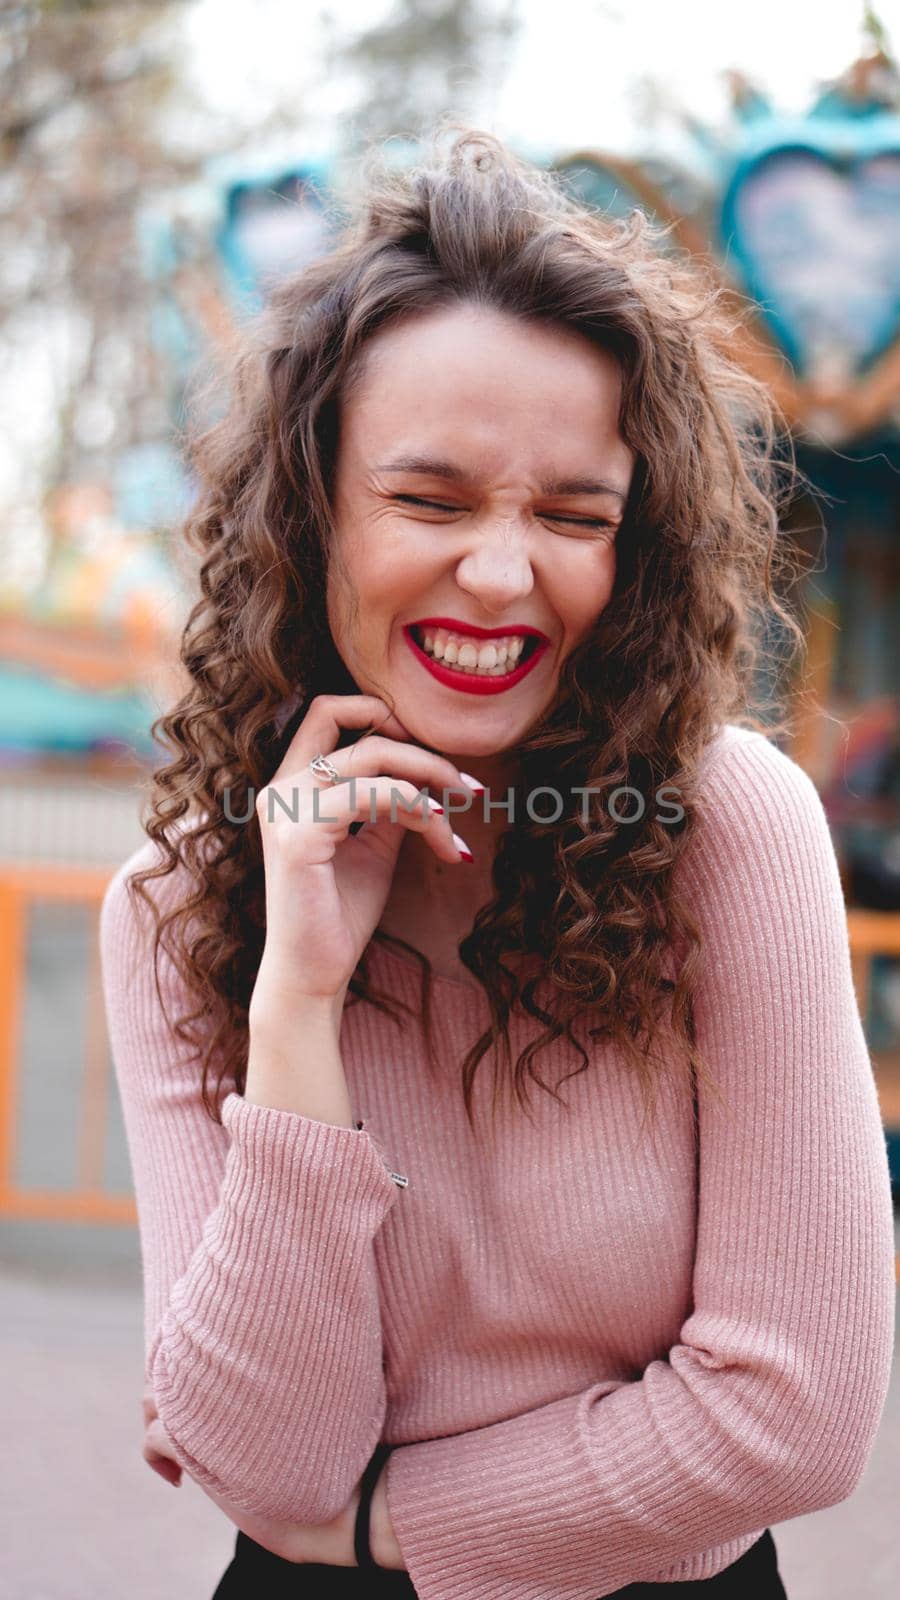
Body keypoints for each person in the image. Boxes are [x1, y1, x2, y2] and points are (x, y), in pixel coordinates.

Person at [99, 127, 896, 1600]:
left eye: (574, 517)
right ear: (310, 506)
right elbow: (271, 1465)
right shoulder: (173, 910)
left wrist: (378, 1529)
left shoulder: (731, 831)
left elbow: (795, 1419)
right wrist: (297, 1003)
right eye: (434, 499)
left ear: (635, 545)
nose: (503, 575)